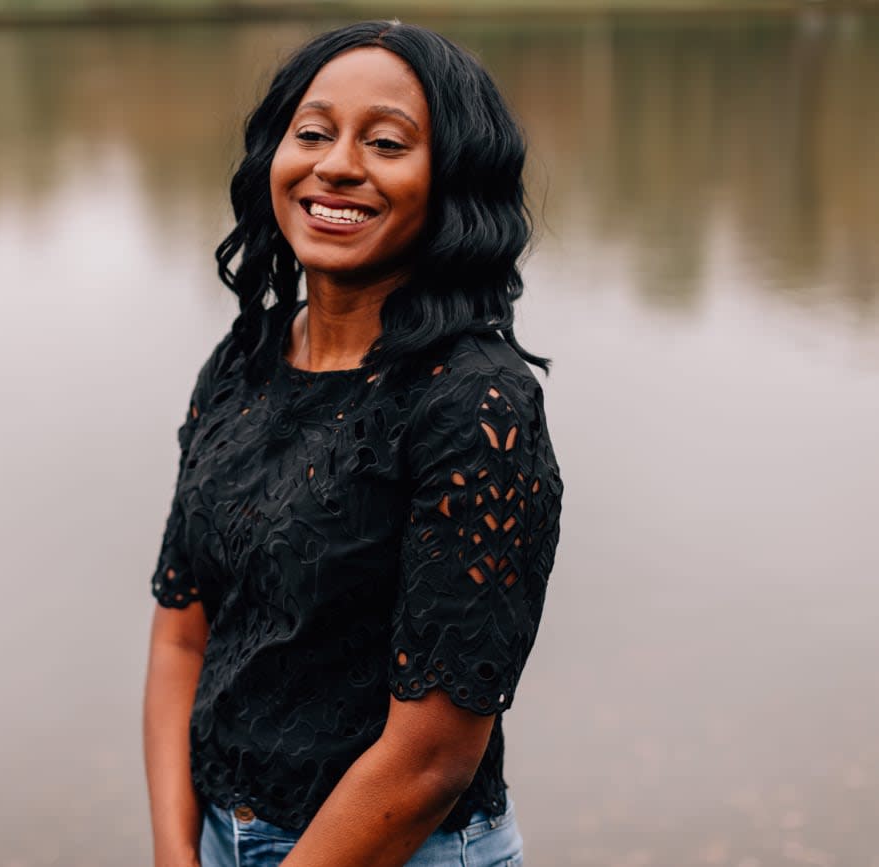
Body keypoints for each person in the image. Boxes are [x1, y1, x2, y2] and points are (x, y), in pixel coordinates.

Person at [142, 20, 563, 867]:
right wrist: (174, 851)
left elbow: (433, 757)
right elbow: (183, 636)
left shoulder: (475, 405)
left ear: (451, 183)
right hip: (223, 835)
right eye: (312, 133)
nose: (336, 164)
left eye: (385, 142)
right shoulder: (244, 363)